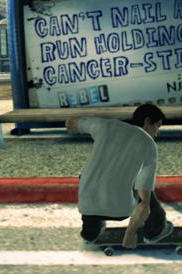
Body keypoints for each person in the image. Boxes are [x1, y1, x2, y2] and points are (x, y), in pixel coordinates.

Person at [65, 104, 174, 249]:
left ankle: (90, 232)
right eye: (157, 127)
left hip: (87, 206)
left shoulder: (105, 125)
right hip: (120, 211)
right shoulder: (149, 145)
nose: (156, 133)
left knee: (89, 176)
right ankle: (155, 230)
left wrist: (74, 123)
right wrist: (130, 235)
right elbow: (144, 204)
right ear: (147, 121)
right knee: (143, 188)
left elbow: (71, 123)